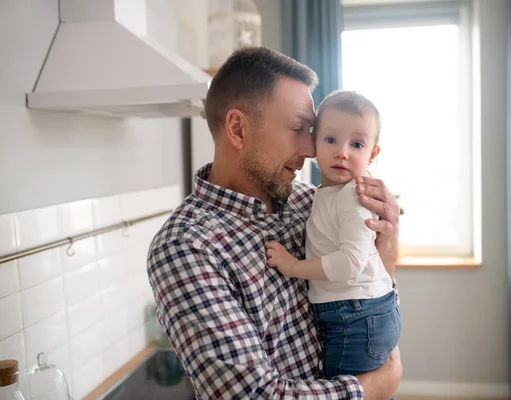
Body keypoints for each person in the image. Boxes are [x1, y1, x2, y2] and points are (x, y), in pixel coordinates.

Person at [147, 46, 402, 400]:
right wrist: (367, 389)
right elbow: (252, 396)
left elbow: (363, 293)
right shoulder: (187, 246)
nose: (312, 150)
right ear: (238, 129)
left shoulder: (308, 201)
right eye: (299, 128)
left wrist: (387, 250)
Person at [266, 90, 402, 383]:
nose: (343, 152)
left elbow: (351, 262)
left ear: (373, 154)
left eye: (356, 144)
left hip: (354, 317)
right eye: (331, 140)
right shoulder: (326, 194)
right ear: (314, 143)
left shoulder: (353, 196)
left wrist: (292, 267)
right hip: (358, 313)